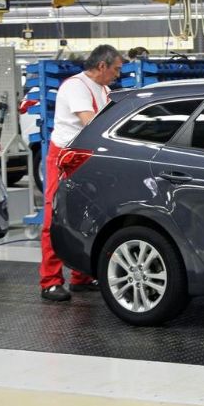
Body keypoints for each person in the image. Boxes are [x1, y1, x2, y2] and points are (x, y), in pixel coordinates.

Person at [40, 44, 123, 302]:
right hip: (64, 158)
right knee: (54, 218)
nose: (118, 75)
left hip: (88, 157)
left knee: (87, 217)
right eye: (116, 69)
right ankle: (50, 281)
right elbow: (91, 123)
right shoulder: (75, 86)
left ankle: (81, 277)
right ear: (102, 66)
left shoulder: (104, 89)